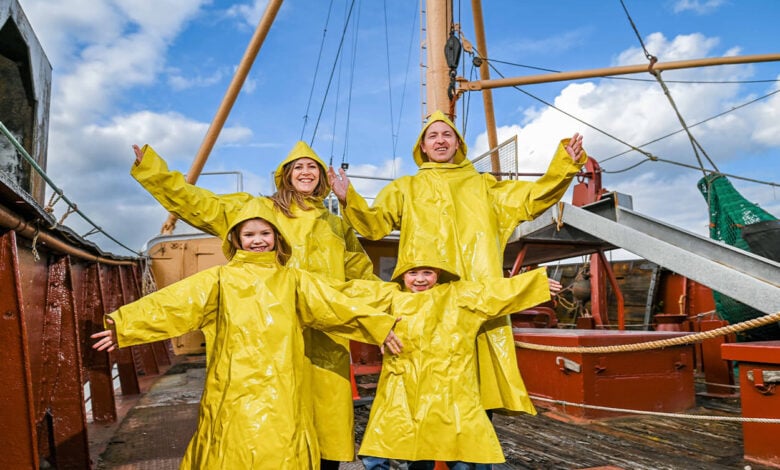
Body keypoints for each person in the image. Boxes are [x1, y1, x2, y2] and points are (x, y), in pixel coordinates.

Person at [91, 199, 402, 469]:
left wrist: (378, 326)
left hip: (283, 385)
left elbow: (335, 306)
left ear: (277, 238)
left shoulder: (294, 280)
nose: (258, 240)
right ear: (237, 239)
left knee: (281, 442)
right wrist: (125, 326)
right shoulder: (219, 279)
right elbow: (173, 305)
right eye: (249, 234)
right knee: (230, 441)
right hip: (231, 385)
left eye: (265, 233)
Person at [131, 141, 378, 468]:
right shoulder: (259, 209)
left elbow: (360, 275)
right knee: (272, 420)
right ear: (286, 175)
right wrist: (154, 171)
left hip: (325, 337)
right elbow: (199, 203)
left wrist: (402, 309)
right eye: (298, 167)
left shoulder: (336, 224)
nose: (305, 172)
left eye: (312, 167)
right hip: (270, 337)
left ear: (322, 176)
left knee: (326, 421)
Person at [328, 110, 587, 417]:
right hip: (424, 302)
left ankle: (471, 459)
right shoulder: (404, 189)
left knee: (475, 390)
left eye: (446, 134)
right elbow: (373, 226)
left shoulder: (485, 187)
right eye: (433, 136)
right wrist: (348, 200)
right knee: (419, 384)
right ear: (422, 146)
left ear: (457, 144)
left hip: (475, 301)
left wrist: (564, 167)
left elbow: (533, 199)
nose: (440, 140)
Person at [337, 263, 560, 469]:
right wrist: (378, 329)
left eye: (427, 272)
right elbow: (347, 297)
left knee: (459, 452)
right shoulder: (390, 297)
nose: (420, 280)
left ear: (439, 274)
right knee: (396, 448)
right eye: (413, 273)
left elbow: (492, 292)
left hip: (450, 388)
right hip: (404, 388)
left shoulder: (457, 295)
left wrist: (535, 283)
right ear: (402, 275)